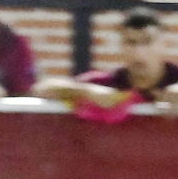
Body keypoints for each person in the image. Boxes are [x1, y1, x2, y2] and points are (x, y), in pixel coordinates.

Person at [33, 9, 178, 110]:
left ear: (164, 44)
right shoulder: (110, 83)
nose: (138, 52)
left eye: (147, 42)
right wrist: (87, 92)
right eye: (131, 43)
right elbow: (41, 90)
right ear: (121, 45)